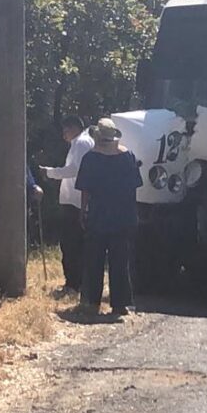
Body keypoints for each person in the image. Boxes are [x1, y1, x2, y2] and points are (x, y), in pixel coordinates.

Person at [75, 118, 143, 315]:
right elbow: (134, 187)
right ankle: (120, 303)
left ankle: (90, 301)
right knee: (120, 260)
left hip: (98, 213)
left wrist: (83, 211)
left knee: (93, 259)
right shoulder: (127, 156)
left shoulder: (91, 158)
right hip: (123, 214)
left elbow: (85, 189)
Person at [41, 115, 93, 292]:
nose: (64, 134)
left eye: (66, 129)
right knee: (74, 244)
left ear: (75, 128)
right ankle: (76, 281)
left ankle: (73, 283)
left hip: (75, 202)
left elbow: (75, 170)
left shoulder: (80, 143)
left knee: (71, 244)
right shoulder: (80, 143)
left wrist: (50, 173)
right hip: (74, 200)